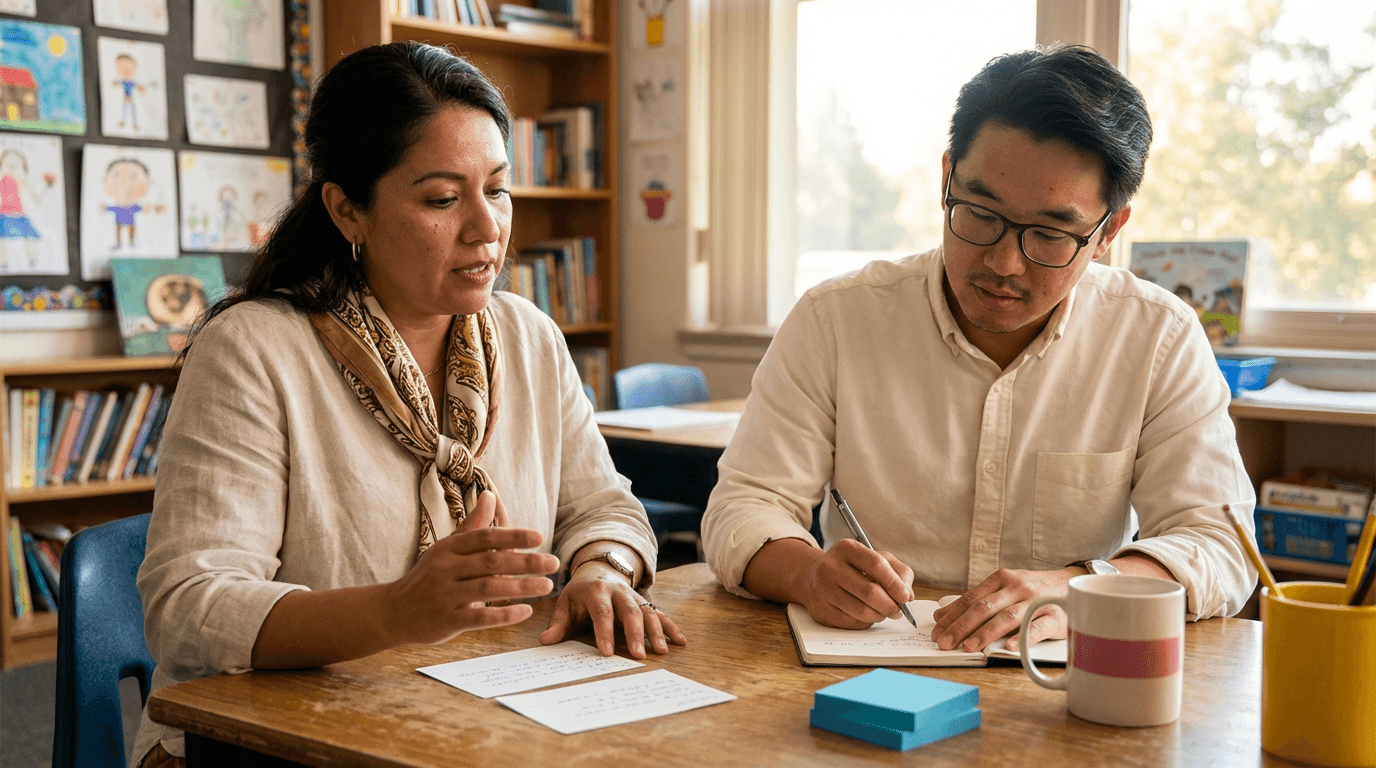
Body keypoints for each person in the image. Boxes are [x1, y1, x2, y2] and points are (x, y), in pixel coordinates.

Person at [133, 42, 684, 768]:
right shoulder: (253, 350)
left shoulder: (530, 337)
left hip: (481, 719)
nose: (487, 227)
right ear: (346, 209)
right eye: (442, 199)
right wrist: (396, 611)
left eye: (498, 188)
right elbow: (189, 606)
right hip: (267, 742)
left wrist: (600, 572)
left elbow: (605, 509)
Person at [701, 44, 1256, 655]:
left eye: (1049, 234)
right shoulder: (836, 320)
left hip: (1067, 684)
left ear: (1108, 233)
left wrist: (1078, 590)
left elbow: (1221, 544)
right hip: (874, 670)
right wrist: (808, 573)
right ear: (945, 180)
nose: (1003, 263)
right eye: (980, 212)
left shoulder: (1157, 336)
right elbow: (743, 507)